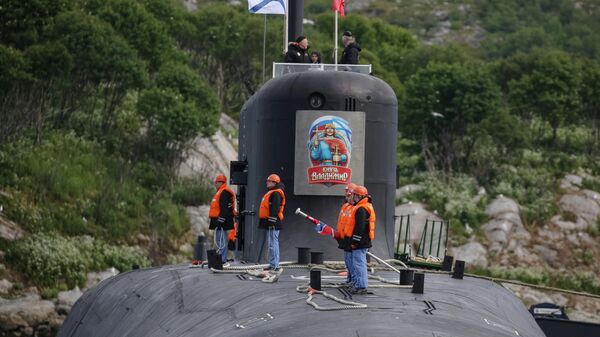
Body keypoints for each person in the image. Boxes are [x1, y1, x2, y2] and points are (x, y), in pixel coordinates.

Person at [343, 185, 375, 294]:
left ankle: (361, 286)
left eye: (355, 196)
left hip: (361, 242)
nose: (354, 198)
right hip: (361, 241)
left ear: (360, 196)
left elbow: (359, 228)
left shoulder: (361, 209)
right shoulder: (361, 207)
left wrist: (355, 242)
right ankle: (358, 284)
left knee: (359, 264)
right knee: (357, 263)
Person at [258, 174, 286, 271]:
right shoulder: (272, 192)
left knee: (273, 244)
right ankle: (272, 264)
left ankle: (275, 265)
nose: (267, 182)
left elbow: (275, 209)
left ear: (274, 182)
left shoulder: (276, 194)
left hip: (273, 223)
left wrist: (272, 221)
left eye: (269, 181)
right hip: (270, 222)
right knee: (271, 244)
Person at [208, 174, 236, 264]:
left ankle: (222, 259)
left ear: (221, 182)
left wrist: (221, 220)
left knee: (221, 240)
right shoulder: (220, 192)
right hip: (217, 221)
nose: (215, 184)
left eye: (216, 182)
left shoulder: (224, 193)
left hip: (221, 221)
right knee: (219, 240)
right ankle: (221, 258)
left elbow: (224, 208)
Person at [335, 183, 357, 287]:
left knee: (354, 262)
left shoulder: (356, 208)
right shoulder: (346, 206)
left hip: (351, 239)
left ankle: (354, 281)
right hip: (345, 238)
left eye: (348, 194)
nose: (346, 195)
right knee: (348, 261)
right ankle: (350, 279)